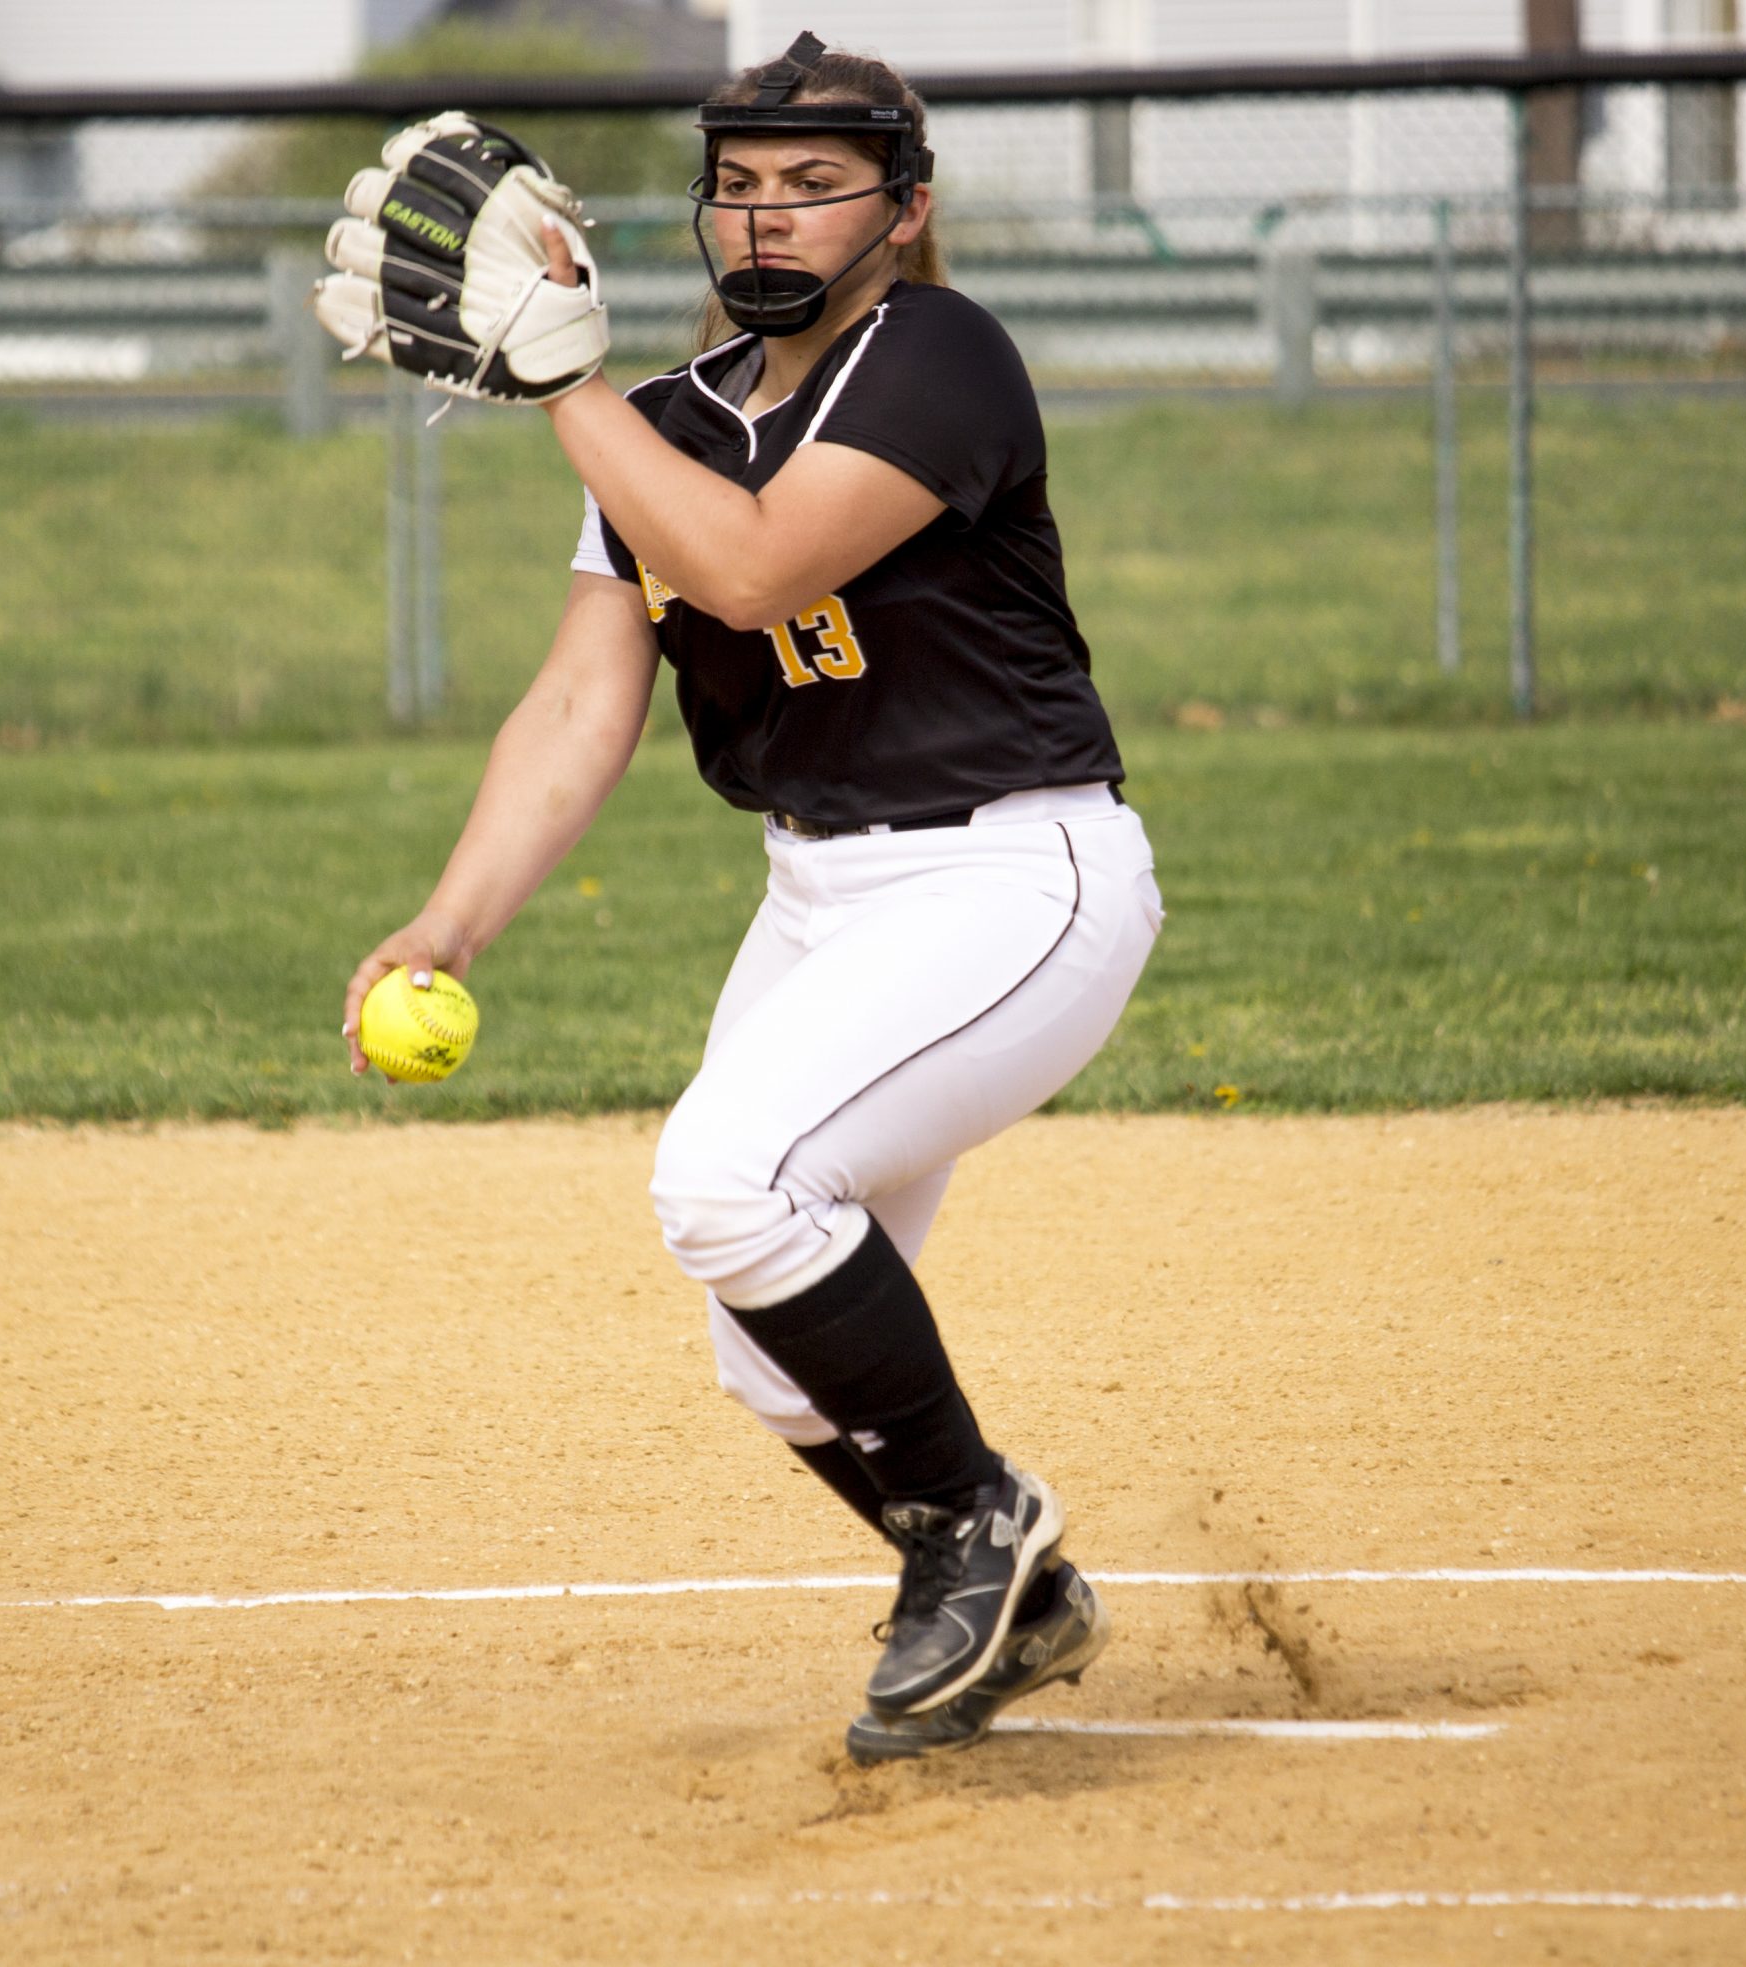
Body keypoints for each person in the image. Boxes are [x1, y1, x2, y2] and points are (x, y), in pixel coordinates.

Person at [338, 34, 1163, 1764]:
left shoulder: (941, 358)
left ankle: (977, 1531)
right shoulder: (660, 424)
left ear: (904, 206)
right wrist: (451, 920)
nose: (766, 217)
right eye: (738, 183)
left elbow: (752, 563)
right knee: (779, 1366)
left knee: (732, 1178)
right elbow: (583, 701)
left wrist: (562, 382)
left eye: (815, 183)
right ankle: (1013, 1587)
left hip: (1014, 869)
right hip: (820, 889)